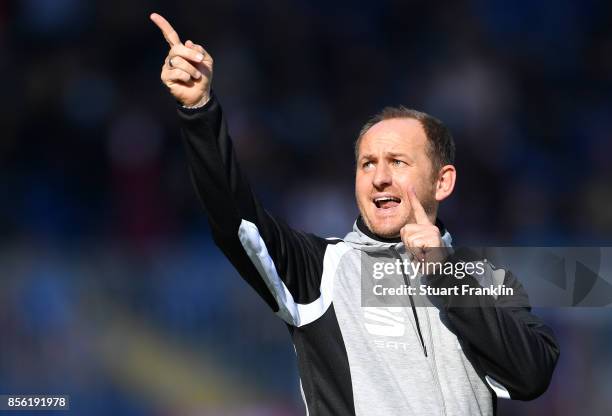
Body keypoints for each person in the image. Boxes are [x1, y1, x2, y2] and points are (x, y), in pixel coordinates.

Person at [150, 13, 559, 416]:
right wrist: (200, 112)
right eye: (367, 164)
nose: (379, 177)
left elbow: (531, 376)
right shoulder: (317, 270)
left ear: (443, 181)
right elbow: (235, 221)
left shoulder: (486, 278)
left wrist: (444, 274)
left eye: (397, 162)